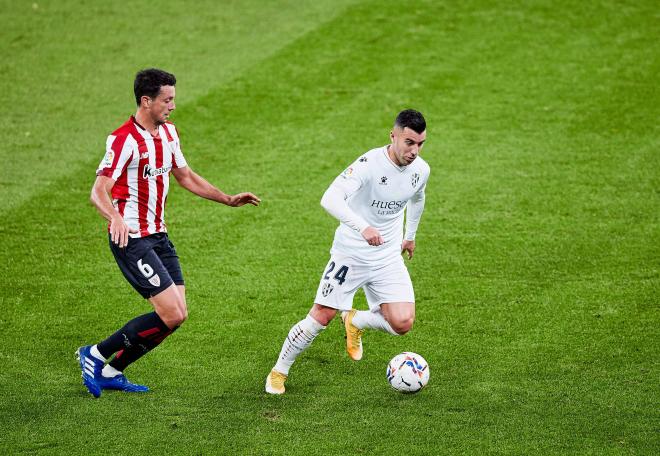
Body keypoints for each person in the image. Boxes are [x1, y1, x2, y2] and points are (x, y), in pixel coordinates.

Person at [77, 68, 260, 398]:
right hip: (130, 238)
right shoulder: (123, 141)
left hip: (159, 236)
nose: (173, 106)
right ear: (146, 102)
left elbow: (186, 176)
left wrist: (228, 199)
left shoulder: (169, 134)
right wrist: (115, 218)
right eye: (167, 100)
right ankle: (95, 354)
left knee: (177, 316)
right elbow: (97, 191)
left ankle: (111, 370)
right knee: (171, 312)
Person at [265, 109, 430, 394]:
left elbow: (417, 198)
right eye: (409, 142)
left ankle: (354, 320)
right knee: (321, 317)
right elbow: (329, 198)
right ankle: (279, 371)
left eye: (420, 144)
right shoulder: (368, 165)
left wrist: (410, 236)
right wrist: (363, 227)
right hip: (351, 255)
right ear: (393, 136)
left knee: (402, 323)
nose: (414, 151)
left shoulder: (421, 170)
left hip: (387, 256)